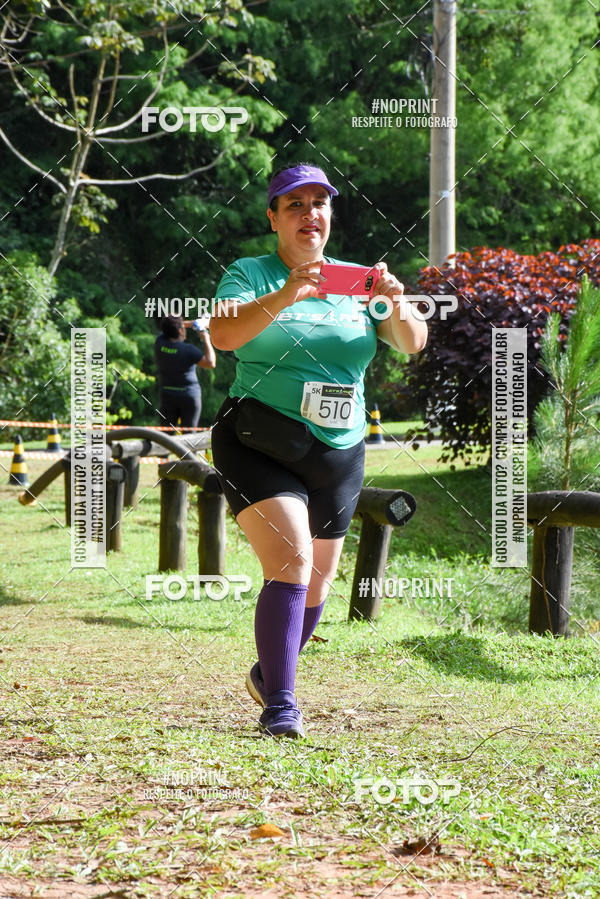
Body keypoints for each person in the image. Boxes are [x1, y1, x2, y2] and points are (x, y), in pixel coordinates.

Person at [209, 162, 427, 739]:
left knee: (319, 582)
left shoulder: (359, 282)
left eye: (320, 204)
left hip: (339, 447)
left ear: (330, 215)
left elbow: (412, 343)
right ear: (274, 218)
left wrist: (396, 301)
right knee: (292, 562)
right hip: (259, 438)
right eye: (295, 205)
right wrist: (286, 294)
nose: (310, 214)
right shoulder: (250, 274)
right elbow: (223, 335)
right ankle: (281, 705)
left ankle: (268, 672)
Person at [154, 315, 216, 430]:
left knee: (166, 434)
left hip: (167, 395)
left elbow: (167, 329)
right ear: (181, 330)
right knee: (188, 435)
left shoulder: (160, 343)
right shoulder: (188, 350)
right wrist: (205, 338)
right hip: (189, 396)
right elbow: (211, 363)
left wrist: (183, 324)